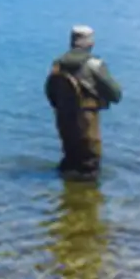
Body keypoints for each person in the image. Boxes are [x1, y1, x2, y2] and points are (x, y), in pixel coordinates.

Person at [45, 25, 123, 179]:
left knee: (70, 159)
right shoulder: (94, 65)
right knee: (90, 163)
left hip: (64, 120)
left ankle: (67, 195)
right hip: (87, 121)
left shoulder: (57, 64)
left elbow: (50, 91)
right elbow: (116, 94)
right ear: (90, 43)